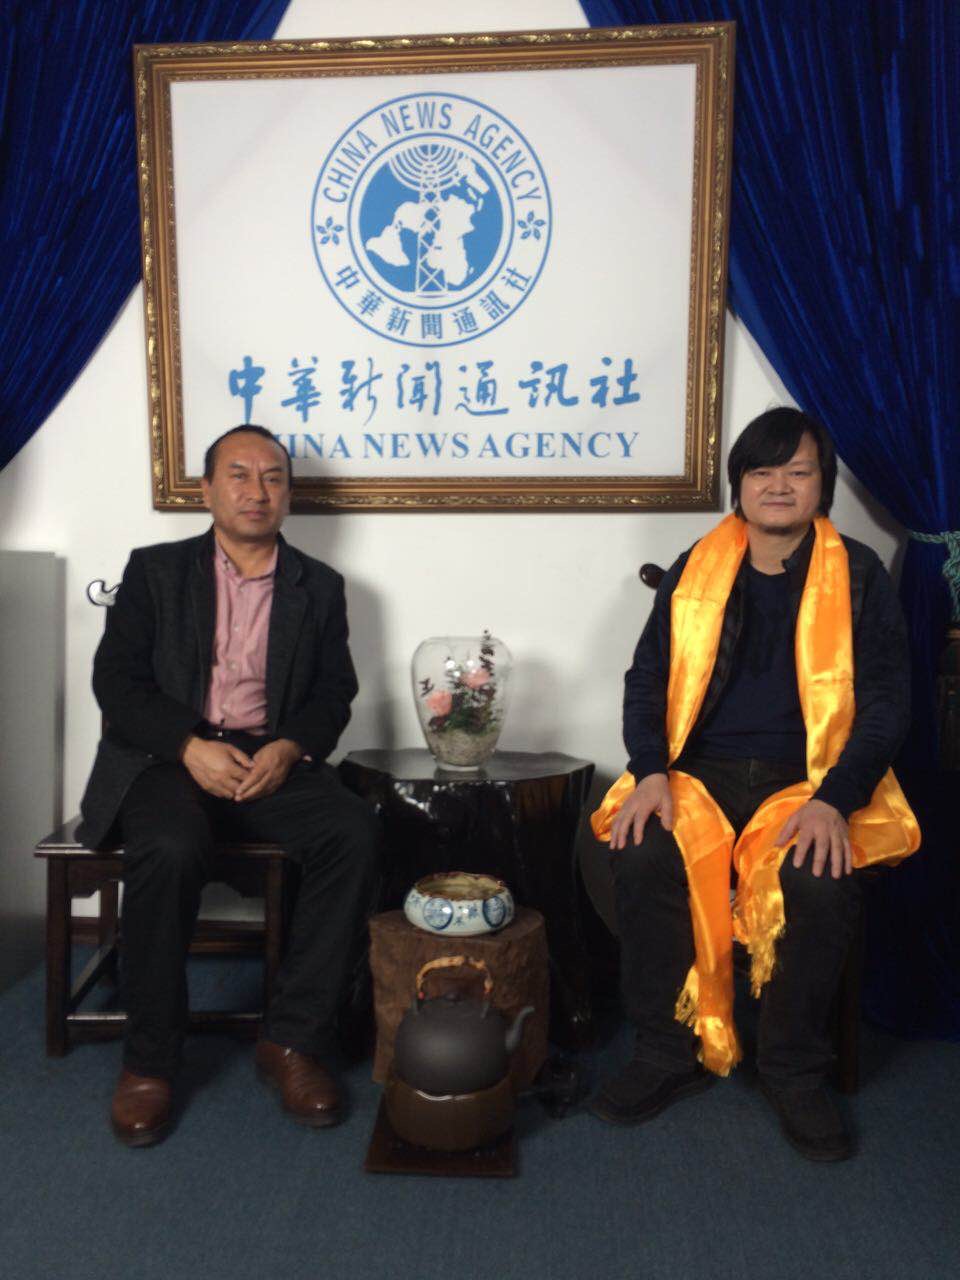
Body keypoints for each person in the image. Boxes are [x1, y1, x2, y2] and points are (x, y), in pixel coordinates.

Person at [589, 407, 919, 1161]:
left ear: (821, 485)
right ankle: (664, 1053)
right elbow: (647, 680)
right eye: (762, 470)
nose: (779, 485)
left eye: (798, 471)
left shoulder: (858, 573)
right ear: (739, 482)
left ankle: (793, 1070)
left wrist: (835, 799)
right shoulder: (698, 566)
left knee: (819, 876)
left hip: (808, 777)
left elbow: (888, 702)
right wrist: (649, 772)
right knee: (641, 851)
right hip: (696, 772)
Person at [78, 425, 380, 1147]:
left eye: (273, 477)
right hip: (168, 756)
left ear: (289, 494)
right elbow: (116, 682)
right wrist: (189, 745)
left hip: (268, 755)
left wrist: (290, 746)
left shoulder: (319, 586)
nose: (256, 491)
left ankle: (293, 1040)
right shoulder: (155, 571)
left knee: (354, 833)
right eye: (239, 475)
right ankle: (151, 1060)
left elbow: (333, 693)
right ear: (208, 490)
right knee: (170, 846)